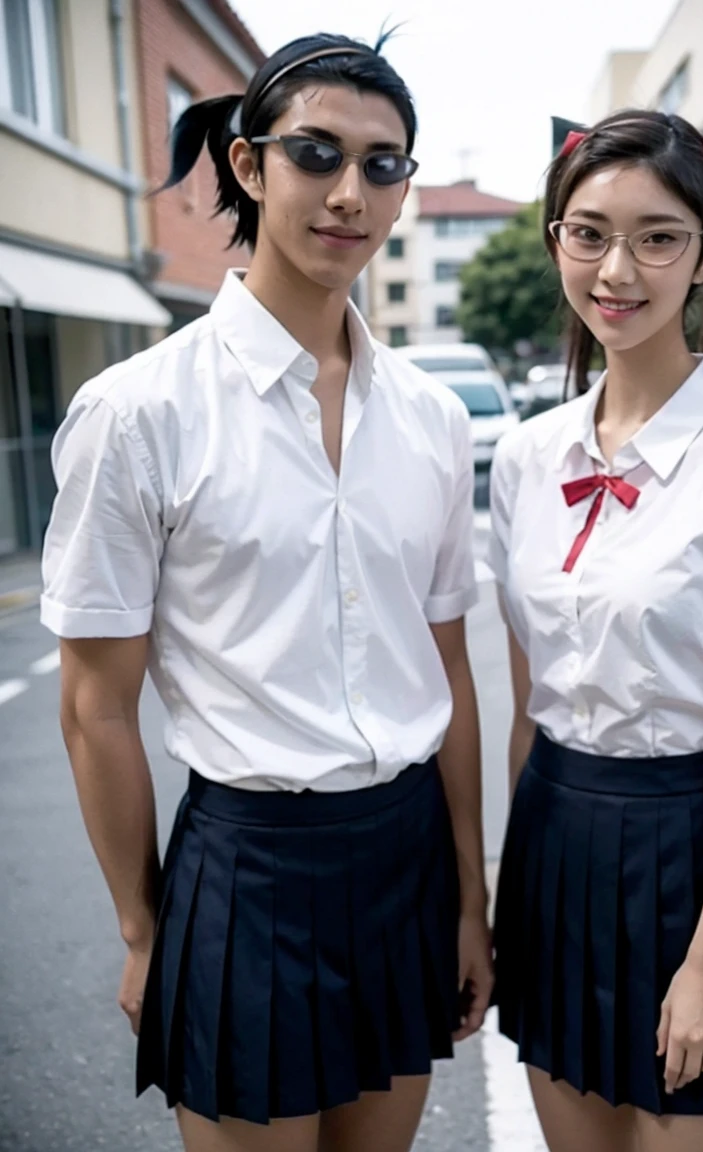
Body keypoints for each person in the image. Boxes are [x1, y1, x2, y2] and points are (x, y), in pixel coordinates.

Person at [41, 31, 492, 1152]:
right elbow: (95, 703)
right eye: (317, 154)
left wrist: (470, 898)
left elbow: (445, 663)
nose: (352, 192)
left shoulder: (432, 421)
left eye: (384, 165)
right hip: (248, 870)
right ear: (249, 167)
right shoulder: (137, 410)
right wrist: (146, 931)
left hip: (407, 860)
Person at [488, 110, 703, 1152]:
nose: (617, 268)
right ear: (555, 238)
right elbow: (527, 701)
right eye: (588, 232)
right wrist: (512, 889)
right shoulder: (524, 459)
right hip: (552, 846)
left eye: (657, 235)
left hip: (688, 856)